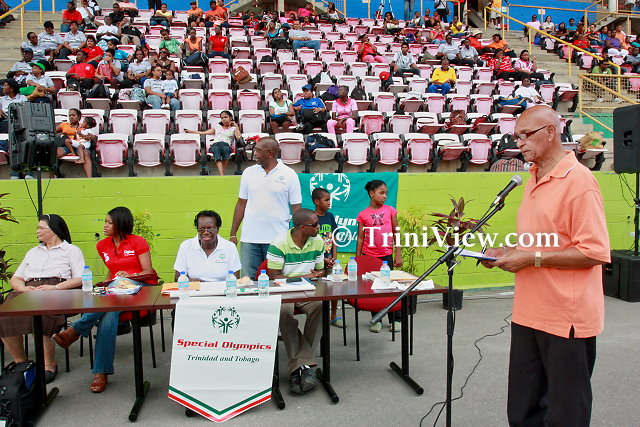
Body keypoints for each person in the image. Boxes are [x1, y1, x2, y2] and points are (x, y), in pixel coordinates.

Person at [480, 105, 610, 426]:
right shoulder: (532, 178)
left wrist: (531, 258)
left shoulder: (580, 182)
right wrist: (507, 251)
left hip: (566, 318)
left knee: (566, 412)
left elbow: (594, 252)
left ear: (551, 132)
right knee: (522, 409)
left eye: (526, 135)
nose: (520, 143)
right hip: (528, 313)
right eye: (516, 137)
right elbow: (542, 242)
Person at [53, 207, 156, 394]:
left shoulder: (137, 241)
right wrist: (108, 284)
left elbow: (148, 271)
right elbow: (112, 270)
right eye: (105, 222)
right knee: (109, 314)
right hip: (116, 293)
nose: (105, 225)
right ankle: (101, 372)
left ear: (121, 224)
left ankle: (75, 331)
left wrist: (129, 275)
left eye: (110, 222)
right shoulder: (102, 245)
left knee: (116, 287)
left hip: (141, 287)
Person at [0, 214, 84, 384]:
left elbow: (81, 278)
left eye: (41, 228)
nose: (37, 231)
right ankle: (21, 362)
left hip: (56, 290)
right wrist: (23, 289)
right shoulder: (33, 252)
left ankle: (48, 364)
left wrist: (55, 288)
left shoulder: (71, 250)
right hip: (29, 290)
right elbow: (16, 278)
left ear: (54, 230)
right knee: (4, 317)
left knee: (44, 316)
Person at [266, 208, 324, 395]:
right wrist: (305, 276)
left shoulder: (318, 241)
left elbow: (320, 270)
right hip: (284, 291)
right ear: (302, 227)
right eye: (315, 224)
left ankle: (301, 365)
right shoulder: (279, 244)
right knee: (284, 312)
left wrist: (322, 272)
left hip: (308, 290)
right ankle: (306, 366)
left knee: (320, 307)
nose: (319, 227)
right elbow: (273, 276)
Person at [229, 137, 302, 279]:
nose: (255, 153)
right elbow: (241, 204)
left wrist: (297, 237)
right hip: (249, 239)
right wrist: (233, 234)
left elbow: (296, 209)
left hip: (277, 240)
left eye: (258, 150)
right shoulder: (248, 172)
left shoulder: (289, 174)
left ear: (270, 153)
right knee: (248, 281)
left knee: (276, 281)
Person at [355, 180, 403, 333]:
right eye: (381, 193)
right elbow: (360, 238)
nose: (385, 196)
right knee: (374, 289)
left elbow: (396, 233)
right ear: (371, 193)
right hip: (370, 257)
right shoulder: (363, 215)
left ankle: (395, 319)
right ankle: (377, 320)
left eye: (386, 193)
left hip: (387, 256)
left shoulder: (390, 211)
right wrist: (358, 259)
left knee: (391, 287)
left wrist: (398, 254)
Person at [174, 210, 241, 282]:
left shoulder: (230, 247)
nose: (205, 232)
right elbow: (178, 278)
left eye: (210, 228)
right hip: (195, 288)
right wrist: (194, 282)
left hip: (222, 288)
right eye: (201, 228)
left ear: (217, 229)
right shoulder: (186, 246)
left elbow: (235, 279)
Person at [312, 188, 342, 328]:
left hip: (330, 260)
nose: (329, 202)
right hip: (316, 261)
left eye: (330, 199)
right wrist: (322, 259)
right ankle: (318, 318)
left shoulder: (330, 216)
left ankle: (333, 315)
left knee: (334, 288)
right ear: (316, 202)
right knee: (318, 289)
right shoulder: (312, 218)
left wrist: (334, 257)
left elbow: (334, 237)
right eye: (326, 200)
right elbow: (309, 242)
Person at [185, 110, 240, 176]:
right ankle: (221, 174)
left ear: (230, 118)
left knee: (226, 150)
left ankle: (221, 174)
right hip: (216, 144)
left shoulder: (233, 129)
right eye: (222, 118)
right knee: (217, 150)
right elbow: (204, 132)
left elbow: (238, 137)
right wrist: (190, 131)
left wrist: (236, 126)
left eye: (225, 117)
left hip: (226, 145)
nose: (223, 119)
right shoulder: (217, 126)